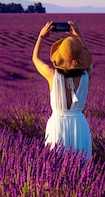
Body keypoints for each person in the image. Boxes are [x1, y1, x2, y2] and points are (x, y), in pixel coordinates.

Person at [32, 21, 93, 160]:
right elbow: (90, 62)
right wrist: (80, 36)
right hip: (79, 125)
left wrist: (41, 37)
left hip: (58, 124)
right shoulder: (86, 75)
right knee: (82, 168)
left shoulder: (52, 74)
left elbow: (35, 59)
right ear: (81, 57)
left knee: (56, 165)